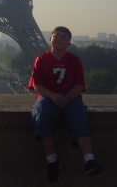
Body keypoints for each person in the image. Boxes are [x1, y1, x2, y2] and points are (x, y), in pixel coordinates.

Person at [28, 26, 103, 184]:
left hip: (70, 97)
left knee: (79, 115)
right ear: (50, 39)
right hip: (48, 97)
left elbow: (79, 86)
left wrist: (67, 97)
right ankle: (52, 160)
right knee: (42, 116)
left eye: (64, 37)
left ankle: (89, 161)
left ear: (69, 43)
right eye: (57, 36)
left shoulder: (74, 60)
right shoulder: (41, 59)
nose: (59, 39)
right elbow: (37, 85)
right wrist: (53, 96)